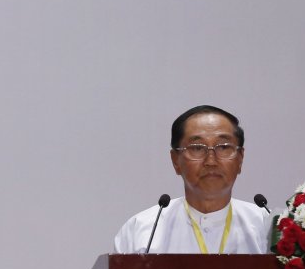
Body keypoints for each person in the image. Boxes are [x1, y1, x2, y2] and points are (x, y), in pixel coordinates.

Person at [113, 105, 271, 254]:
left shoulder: (268, 229)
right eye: (197, 148)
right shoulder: (141, 231)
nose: (211, 161)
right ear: (176, 161)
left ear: (240, 159)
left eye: (223, 147)